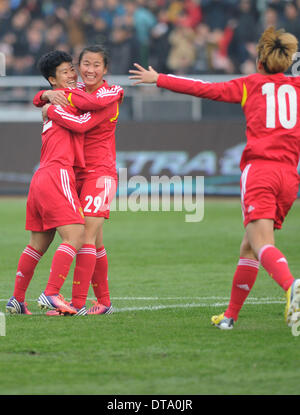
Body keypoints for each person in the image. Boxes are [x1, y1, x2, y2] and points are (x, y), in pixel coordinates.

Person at [129, 26, 300, 330]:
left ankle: (292, 287)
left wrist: (160, 79)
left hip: (261, 170)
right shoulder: (297, 87)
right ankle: (230, 316)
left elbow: (203, 88)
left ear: (260, 59)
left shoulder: (250, 85)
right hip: (289, 175)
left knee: (261, 244)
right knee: (249, 247)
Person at [36, 45, 123, 315]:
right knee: (94, 241)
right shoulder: (76, 93)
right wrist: (45, 95)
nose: (90, 70)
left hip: (101, 173)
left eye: (97, 65)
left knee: (85, 236)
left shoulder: (111, 92)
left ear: (105, 69)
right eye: (85, 64)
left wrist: (49, 106)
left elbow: (84, 121)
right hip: (77, 174)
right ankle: (104, 302)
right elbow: (44, 97)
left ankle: (76, 304)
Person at [6, 50, 86, 315]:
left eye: (72, 69)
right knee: (76, 235)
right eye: (66, 72)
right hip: (57, 173)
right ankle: (51, 293)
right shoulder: (69, 99)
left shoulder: (54, 100)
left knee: (37, 245)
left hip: (41, 177)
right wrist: (46, 100)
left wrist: (44, 98)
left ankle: (17, 299)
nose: (73, 74)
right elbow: (92, 107)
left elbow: (38, 99)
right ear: (53, 80)